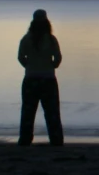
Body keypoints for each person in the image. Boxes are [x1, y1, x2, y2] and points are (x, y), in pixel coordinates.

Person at [17, 9, 64, 146]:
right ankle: (56, 139)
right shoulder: (51, 39)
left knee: (28, 111)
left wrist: (29, 66)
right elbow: (58, 58)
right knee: (52, 111)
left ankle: (25, 139)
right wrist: (52, 66)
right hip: (48, 79)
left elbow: (20, 57)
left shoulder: (26, 39)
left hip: (31, 78)